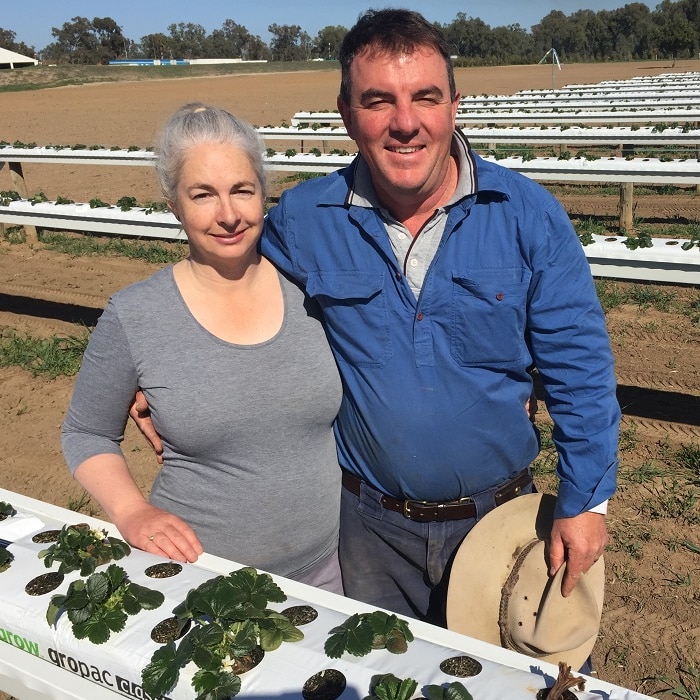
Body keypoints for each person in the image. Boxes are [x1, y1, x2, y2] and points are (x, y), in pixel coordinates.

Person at [132, 8, 619, 628]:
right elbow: (223, 271)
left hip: (501, 522)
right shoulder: (306, 219)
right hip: (367, 531)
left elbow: (580, 370)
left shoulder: (525, 215)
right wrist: (159, 363)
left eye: (425, 97)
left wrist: (585, 505)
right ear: (346, 113)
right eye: (378, 101)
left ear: (454, 105)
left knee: (513, 681)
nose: (405, 124)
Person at [61, 103, 344, 594]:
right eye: (203, 195)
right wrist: (132, 511)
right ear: (174, 205)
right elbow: (86, 432)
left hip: (331, 569)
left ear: (263, 193)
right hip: (201, 580)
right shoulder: (137, 314)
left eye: (242, 190)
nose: (229, 215)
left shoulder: (314, 290)